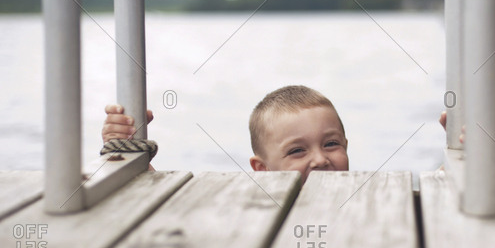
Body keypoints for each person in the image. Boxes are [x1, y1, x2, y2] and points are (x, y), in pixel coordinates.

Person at [101, 85, 453, 182]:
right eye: (297, 151)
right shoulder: (248, 207)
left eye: (331, 144)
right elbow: (160, 203)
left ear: (346, 146)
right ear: (262, 169)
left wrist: (458, 152)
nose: (320, 159)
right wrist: (125, 149)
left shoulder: (371, 195)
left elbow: (435, 198)